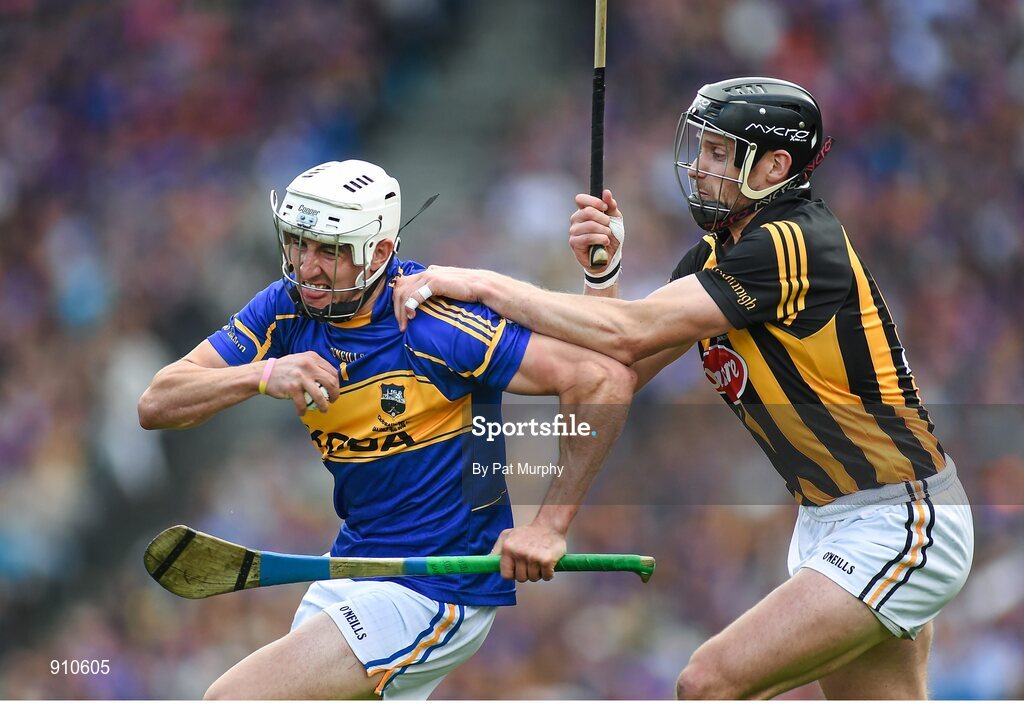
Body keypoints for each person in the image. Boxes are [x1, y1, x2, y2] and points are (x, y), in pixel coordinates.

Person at [393, 77, 974, 699]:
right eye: (702, 149)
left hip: (899, 519)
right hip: (830, 520)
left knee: (706, 683)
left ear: (776, 166)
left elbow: (626, 336)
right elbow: (617, 371)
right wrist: (602, 277)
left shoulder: (794, 243)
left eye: (721, 154)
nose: (699, 167)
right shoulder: (716, 257)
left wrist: (482, 284)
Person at [137, 159, 635, 699]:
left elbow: (602, 379)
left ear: (378, 251)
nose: (307, 267)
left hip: (435, 588)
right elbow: (158, 401)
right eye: (300, 243)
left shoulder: (435, 321)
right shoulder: (285, 311)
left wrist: (550, 526)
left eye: (330, 250)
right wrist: (264, 372)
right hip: (352, 569)